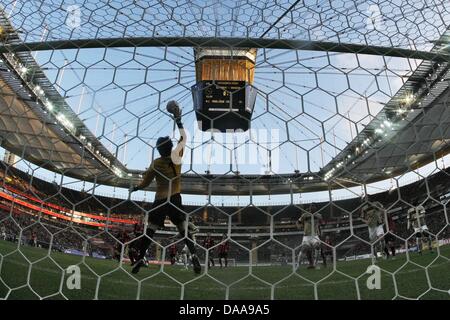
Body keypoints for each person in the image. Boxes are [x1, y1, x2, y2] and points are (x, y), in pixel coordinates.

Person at [129, 101, 201, 274]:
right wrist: (178, 120)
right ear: (170, 147)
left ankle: (140, 258)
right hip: (175, 197)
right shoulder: (177, 156)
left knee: (150, 230)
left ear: (159, 150)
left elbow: (145, 182)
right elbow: (184, 138)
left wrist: (137, 188)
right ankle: (194, 256)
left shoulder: (156, 164)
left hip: (160, 200)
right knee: (184, 230)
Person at [360, 196, 389, 260]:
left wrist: (383, 217)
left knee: (382, 238)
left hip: (379, 224)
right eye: (365, 198)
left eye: (368, 198)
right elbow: (361, 218)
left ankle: (383, 252)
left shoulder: (376, 203)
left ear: (370, 198)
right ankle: (375, 257)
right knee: (373, 243)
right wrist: (366, 221)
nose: (367, 199)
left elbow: (383, 210)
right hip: (371, 226)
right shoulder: (363, 208)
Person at [296, 203, 322, 269]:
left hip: (315, 236)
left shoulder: (319, 215)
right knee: (304, 248)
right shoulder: (304, 215)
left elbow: (321, 222)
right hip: (306, 236)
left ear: (316, 208)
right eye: (311, 206)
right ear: (309, 208)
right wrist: (299, 226)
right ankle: (297, 265)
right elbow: (298, 222)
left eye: (313, 206)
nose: (312, 208)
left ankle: (315, 264)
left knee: (317, 247)